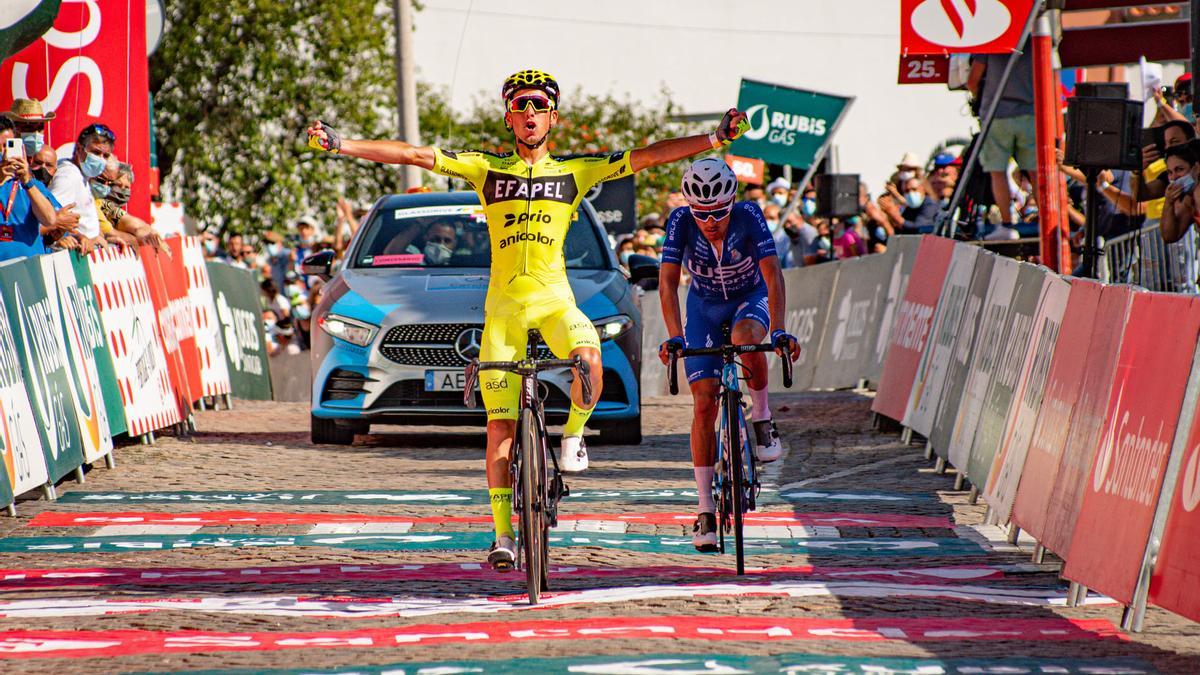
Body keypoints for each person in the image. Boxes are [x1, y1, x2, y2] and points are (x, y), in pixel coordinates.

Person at [308, 68, 750, 570]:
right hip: (503, 312)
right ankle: (502, 535)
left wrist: (713, 138)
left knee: (588, 358)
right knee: (499, 427)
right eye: (520, 106)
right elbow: (413, 155)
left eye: (538, 105)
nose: (529, 113)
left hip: (555, 302)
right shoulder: (485, 170)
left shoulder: (575, 172)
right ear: (508, 118)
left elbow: (646, 157)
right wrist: (342, 145)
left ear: (553, 117)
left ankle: (574, 436)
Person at [656, 158, 800, 552]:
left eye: (719, 211)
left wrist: (779, 329)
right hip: (704, 305)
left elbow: (772, 273)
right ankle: (704, 508)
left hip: (747, 299)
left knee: (746, 338)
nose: (710, 220)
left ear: (731, 201)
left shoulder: (750, 215)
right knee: (704, 403)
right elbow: (667, 284)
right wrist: (674, 337)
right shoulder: (679, 221)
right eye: (701, 213)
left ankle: (763, 416)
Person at [968, 49, 1037, 241]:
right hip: (1029, 114)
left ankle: (1007, 224)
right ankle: (1045, 219)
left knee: (997, 172)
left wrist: (980, 103)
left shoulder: (995, 39)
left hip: (997, 114)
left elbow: (973, 80)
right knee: (1034, 171)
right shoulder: (1033, 37)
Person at [0, 117, 62, 261]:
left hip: (29, 273)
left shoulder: (30, 184)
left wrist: (27, 182)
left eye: (7, 146)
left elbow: (50, 220)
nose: (3, 153)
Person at [49, 123, 115, 249]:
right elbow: (50, 217)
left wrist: (99, 237)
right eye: (96, 152)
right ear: (79, 149)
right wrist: (69, 237)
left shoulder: (81, 175)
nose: (101, 159)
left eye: (105, 156)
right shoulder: (68, 176)